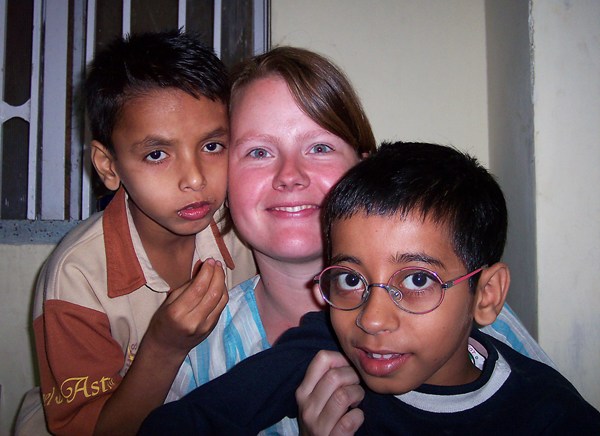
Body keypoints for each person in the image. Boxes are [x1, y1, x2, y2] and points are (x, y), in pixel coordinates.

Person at [139, 141, 600, 435]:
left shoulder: (548, 412)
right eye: (350, 279)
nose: (372, 320)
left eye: (417, 280)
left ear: (487, 295)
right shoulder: (321, 351)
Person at [18, 30, 255, 436]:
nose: (195, 178)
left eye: (212, 146)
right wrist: (163, 347)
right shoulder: (76, 277)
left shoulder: (245, 233)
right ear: (108, 167)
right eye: (157, 154)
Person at [165, 46, 378, 434]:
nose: (290, 175)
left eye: (320, 147)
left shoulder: (457, 314)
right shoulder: (195, 361)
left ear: (364, 168)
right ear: (223, 181)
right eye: (259, 152)